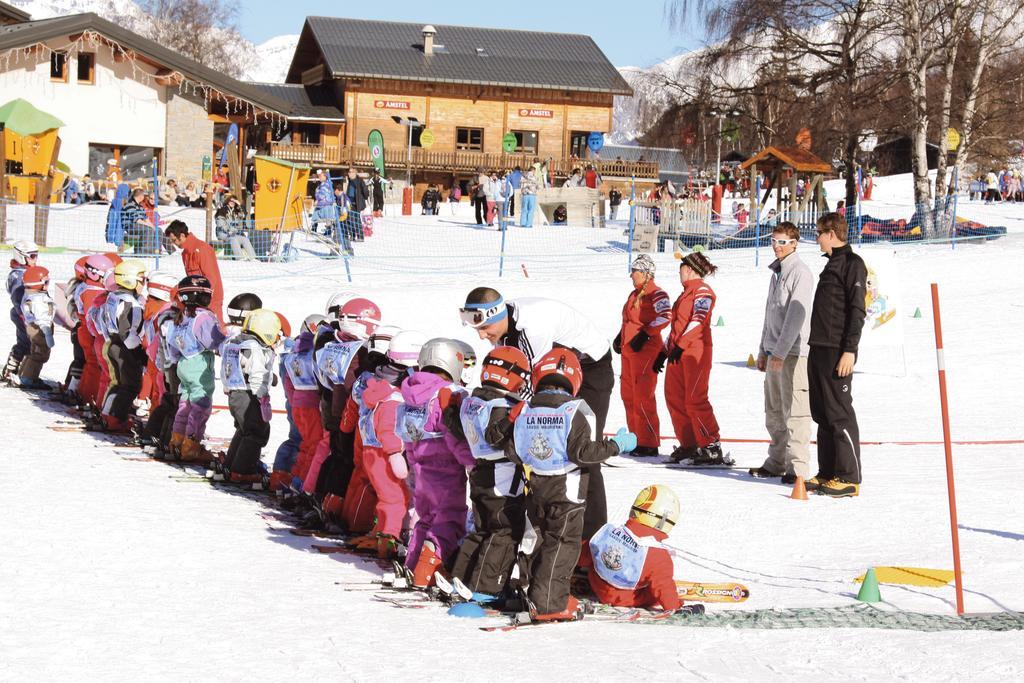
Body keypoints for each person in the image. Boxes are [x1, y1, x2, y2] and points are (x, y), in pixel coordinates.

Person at [459, 286, 615, 538]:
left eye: (484, 329)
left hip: (590, 370)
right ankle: (538, 526)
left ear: (498, 315)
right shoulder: (504, 329)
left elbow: (537, 390)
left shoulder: (533, 328)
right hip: (557, 369)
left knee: (581, 451)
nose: (482, 337)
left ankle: (591, 537)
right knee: (532, 444)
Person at [507, 349, 634, 622]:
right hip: (567, 489)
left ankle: (528, 591)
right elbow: (583, 453)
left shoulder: (526, 409)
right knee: (562, 543)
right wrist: (615, 445)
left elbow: (513, 450)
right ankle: (549, 603)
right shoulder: (575, 409)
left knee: (536, 540)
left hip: (536, 485)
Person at [447, 346, 531, 597]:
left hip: (481, 472)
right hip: (502, 477)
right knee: (504, 531)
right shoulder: (501, 406)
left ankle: (460, 578)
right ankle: (486, 588)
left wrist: (450, 410)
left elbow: (458, 428)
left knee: (482, 529)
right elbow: (498, 439)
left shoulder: (473, 400)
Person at [398, 338, 476, 583]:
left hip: (421, 468)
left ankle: (412, 564)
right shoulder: (448, 394)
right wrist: (471, 463)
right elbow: (455, 437)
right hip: (446, 470)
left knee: (425, 518)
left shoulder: (411, 394)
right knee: (449, 519)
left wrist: (412, 462)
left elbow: (407, 434)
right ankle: (429, 570)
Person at [347, 330, 423, 559]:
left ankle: (379, 531)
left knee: (386, 495)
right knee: (396, 497)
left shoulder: (378, 387)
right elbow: (388, 427)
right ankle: (389, 536)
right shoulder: (393, 398)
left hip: (371, 452)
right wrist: (394, 454)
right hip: (384, 454)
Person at [806, 213, 867, 498]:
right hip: (818, 347)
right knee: (821, 412)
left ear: (832, 234)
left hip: (836, 350)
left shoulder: (852, 264)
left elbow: (857, 311)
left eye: (819, 232)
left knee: (838, 412)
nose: (816, 237)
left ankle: (849, 477)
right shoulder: (831, 263)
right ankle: (828, 471)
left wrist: (849, 351)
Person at [750, 222, 814, 484]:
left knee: (795, 411)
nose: (777, 246)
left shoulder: (800, 272)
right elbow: (770, 314)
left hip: (793, 353)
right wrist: (764, 350)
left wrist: (780, 351)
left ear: (795, 243)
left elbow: (795, 317)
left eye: (783, 242)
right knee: (774, 409)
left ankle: (796, 467)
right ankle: (776, 460)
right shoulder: (776, 274)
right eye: (774, 241)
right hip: (773, 350)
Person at [660, 251, 725, 465]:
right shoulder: (685, 293)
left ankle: (711, 445)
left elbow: (698, 320)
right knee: (674, 397)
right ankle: (689, 443)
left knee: (695, 398)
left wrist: (680, 345)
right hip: (678, 352)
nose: (679, 272)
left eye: (681, 268)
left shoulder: (703, 291)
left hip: (695, 351)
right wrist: (665, 350)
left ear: (688, 269)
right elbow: (677, 326)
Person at [581, 485, 684, 612]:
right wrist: (675, 606)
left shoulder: (609, 534)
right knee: (656, 583)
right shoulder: (658, 555)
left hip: (598, 586)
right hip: (627, 598)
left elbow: (585, 550)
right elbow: (663, 584)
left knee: (592, 551)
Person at [613, 254, 671, 457]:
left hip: (645, 352)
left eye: (635, 271)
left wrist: (645, 334)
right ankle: (635, 438)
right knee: (628, 396)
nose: (631, 275)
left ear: (646, 274)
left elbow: (665, 317)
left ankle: (648, 441)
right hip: (629, 353)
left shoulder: (657, 293)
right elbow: (629, 320)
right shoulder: (633, 294)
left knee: (643, 396)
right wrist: (621, 337)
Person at [166, 275, 227, 462]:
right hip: (199, 365)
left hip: (183, 363)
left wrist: (177, 358)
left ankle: (176, 441)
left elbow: (172, 345)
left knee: (185, 403)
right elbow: (212, 340)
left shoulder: (180, 316)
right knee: (200, 405)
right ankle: (191, 446)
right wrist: (225, 341)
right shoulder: (203, 317)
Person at [221, 309, 281, 483]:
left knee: (244, 429)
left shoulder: (236, 342)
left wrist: (227, 387)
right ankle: (243, 470)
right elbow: (257, 375)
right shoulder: (253, 347)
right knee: (256, 432)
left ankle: (232, 465)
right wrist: (262, 396)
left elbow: (228, 368)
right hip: (249, 394)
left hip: (236, 393)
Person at [96, 260, 147, 433]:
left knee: (118, 383)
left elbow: (101, 318)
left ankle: (106, 414)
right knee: (131, 386)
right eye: (142, 280)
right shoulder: (129, 302)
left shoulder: (113, 296)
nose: (144, 284)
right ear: (130, 280)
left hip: (112, 342)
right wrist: (139, 352)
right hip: (124, 348)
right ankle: (116, 418)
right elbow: (127, 332)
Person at [164, 220, 224, 323]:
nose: (174, 244)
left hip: (209, 299)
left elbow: (211, 278)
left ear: (182, 235)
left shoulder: (202, 249)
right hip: (195, 299)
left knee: (215, 331)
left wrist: (204, 300)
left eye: (174, 240)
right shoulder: (185, 254)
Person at [3, 240, 39, 383]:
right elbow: (18, 299)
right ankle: (12, 371)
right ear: (21, 256)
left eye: (36, 255)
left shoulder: (24, 272)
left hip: (24, 314)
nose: (35, 259)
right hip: (22, 315)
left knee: (24, 342)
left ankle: (12, 370)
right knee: (26, 343)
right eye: (32, 256)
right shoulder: (18, 276)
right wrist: (26, 317)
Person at [16, 265, 55, 390]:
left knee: (34, 351)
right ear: (38, 284)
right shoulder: (38, 299)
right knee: (41, 353)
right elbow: (42, 317)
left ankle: (24, 374)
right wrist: (47, 333)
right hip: (40, 328)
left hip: (33, 327)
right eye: (47, 282)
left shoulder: (30, 295)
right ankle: (29, 378)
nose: (49, 284)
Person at [215, 195, 256, 261]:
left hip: (232, 234)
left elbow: (244, 214)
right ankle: (240, 258)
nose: (232, 203)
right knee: (233, 239)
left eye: (234, 202)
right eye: (231, 201)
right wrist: (229, 230)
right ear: (228, 201)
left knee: (244, 239)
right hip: (222, 233)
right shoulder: (222, 210)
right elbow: (220, 223)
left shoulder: (235, 212)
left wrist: (239, 204)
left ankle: (253, 258)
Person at [343, 167, 369, 242]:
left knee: (356, 220)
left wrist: (364, 197)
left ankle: (360, 236)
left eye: (350, 172)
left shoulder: (359, 181)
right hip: (350, 203)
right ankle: (352, 235)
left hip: (357, 203)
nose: (349, 173)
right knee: (349, 219)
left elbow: (365, 191)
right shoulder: (350, 181)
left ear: (355, 173)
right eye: (349, 172)